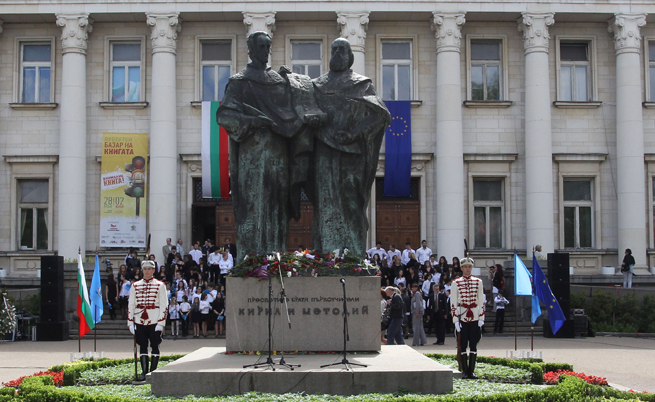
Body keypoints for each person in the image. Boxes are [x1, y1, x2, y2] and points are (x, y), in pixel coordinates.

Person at [217, 31, 323, 258]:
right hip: (252, 152)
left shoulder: (278, 81)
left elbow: (292, 110)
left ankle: (274, 257)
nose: (265, 51)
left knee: (277, 206)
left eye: (268, 47)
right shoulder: (240, 81)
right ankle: (252, 259)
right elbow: (225, 115)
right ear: (251, 49)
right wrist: (252, 121)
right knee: (254, 205)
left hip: (278, 153)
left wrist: (292, 83)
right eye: (261, 47)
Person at [310, 38, 390, 257]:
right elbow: (306, 111)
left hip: (352, 153)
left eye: (341, 50)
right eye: (333, 49)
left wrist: (354, 133)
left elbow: (380, 115)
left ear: (350, 57)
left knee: (352, 201)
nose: (336, 53)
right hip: (324, 151)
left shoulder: (361, 84)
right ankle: (326, 252)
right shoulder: (317, 85)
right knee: (325, 201)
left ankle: (353, 253)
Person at [127, 260, 168, 382]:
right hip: (139, 319)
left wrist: (161, 323)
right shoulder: (135, 285)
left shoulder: (160, 285)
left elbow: (164, 305)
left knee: (155, 345)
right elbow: (131, 304)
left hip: (155, 319)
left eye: (149, 269)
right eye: (145, 269)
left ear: (154, 270)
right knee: (142, 346)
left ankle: (153, 372)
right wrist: (130, 322)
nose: (147, 271)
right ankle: (144, 372)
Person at [450, 256, 485, 379]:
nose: (467, 269)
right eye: (465, 267)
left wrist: (481, 317)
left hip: (475, 315)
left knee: (474, 344)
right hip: (462, 316)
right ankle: (465, 371)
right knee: (463, 344)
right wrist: (455, 320)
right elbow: (453, 302)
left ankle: (472, 371)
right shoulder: (456, 283)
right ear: (461, 268)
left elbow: (481, 300)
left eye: (469, 267)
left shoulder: (478, 282)